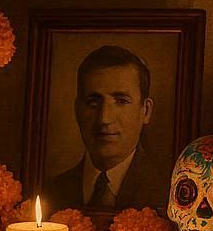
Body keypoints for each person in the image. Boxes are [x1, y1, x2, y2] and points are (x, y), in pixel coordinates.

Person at [42, 45, 169, 211]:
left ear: (145, 111)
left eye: (121, 101)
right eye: (93, 102)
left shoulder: (168, 193)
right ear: (77, 109)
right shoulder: (50, 193)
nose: (104, 119)